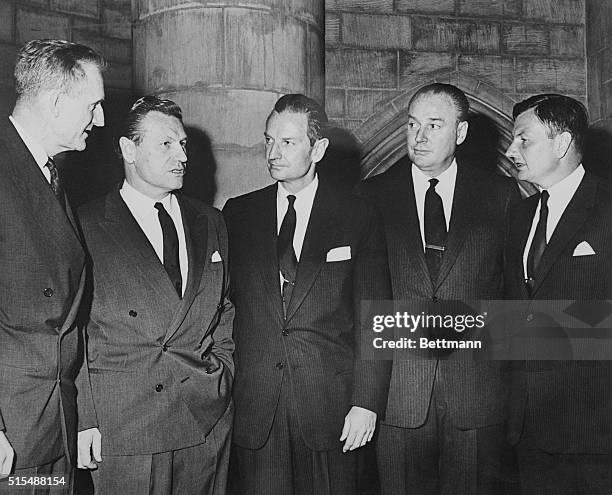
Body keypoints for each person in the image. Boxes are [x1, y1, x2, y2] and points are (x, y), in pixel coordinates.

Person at [222, 94, 391, 494]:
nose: (273, 153)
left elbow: (374, 316)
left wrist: (366, 402)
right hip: (257, 407)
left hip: (332, 408)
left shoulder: (357, 215)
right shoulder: (238, 214)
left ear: (318, 148)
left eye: (288, 142)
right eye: (268, 140)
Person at [357, 83, 520, 494]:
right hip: (396, 393)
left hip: (477, 394)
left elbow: (516, 294)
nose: (420, 136)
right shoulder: (370, 196)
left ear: (461, 133)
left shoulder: (501, 196)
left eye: (434, 125)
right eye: (412, 124)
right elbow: (355, 297)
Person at [75, 96, 234, 495]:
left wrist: (222, 374)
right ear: (129, 149)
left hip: (204, 416)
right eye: (166, 144)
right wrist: (84, 417)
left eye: (183, 144)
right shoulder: (86, 224)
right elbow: (70, 328)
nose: (181, 155)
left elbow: (225, 308)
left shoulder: (210, 220)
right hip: (124, 425)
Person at [0, 39, 105, 490]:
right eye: (94, 106)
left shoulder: (52, 175)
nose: (100, 120)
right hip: (11, 427)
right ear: (58, 101)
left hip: (52, 419)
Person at [504, 94, 612, 494]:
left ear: (563, 143)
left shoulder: (607, 206)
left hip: (597, 428)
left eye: (523, 139)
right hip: (529, 427)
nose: (511, 150)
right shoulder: (518, 216)